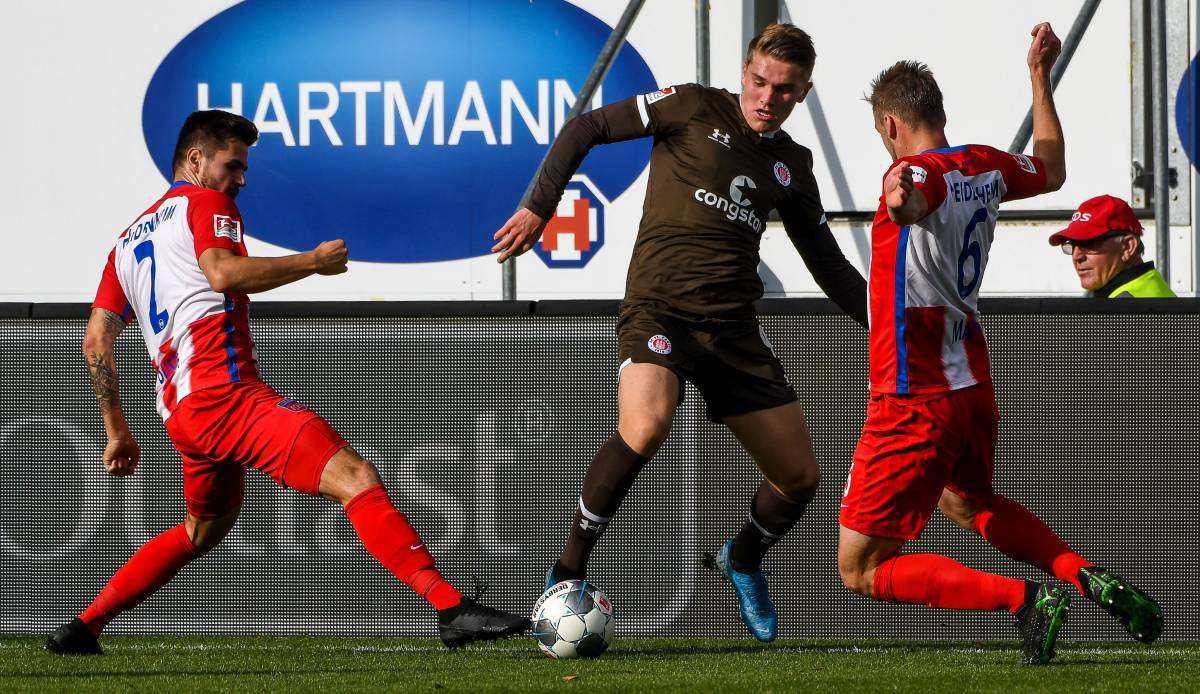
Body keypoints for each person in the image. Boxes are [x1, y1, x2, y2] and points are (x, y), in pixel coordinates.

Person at [46, 110, 528, 655]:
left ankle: (84, 626)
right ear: (196, 159)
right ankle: (450, 608)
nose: (242, 179)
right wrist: (313, 262)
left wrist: (116, 429)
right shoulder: (206, 202)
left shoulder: (125, 243)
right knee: (354, 474)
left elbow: (95, 341)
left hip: (183, 415)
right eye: (234, 164)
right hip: (223, 394)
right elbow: (223, 273)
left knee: (200, 531)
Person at [492, 24, 868, 642]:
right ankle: (566, 575)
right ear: (744, 72)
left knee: (800, 478)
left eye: (784, 89)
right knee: (646, 424)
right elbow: (588, 127)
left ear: (803, 93)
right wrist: (541, 204)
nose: (768, 97)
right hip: (659, 310)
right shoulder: (691, 105)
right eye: (759, 81)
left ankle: (741, 558)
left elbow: (827, 264)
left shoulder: (792, 166)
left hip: (732, 331)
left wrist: (892, 328)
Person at [836, 24, 1162, 665]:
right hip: (971, 385)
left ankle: (1022, 600)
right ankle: (1080, 575)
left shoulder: (912, 171)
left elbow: (913, 196)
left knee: (861, 568)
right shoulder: (984, 166)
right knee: (968, 501)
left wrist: (900, 196)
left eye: (882, 136)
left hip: (913, 394)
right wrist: (1039, 78)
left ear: (895, 126)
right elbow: (1052, 167)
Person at [1050, 195, 1176, 297]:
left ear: (1128, 247)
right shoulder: (1144, 287)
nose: (1077, 256)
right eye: (1072, 245)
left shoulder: (1128, 306)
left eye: (1089, 243)